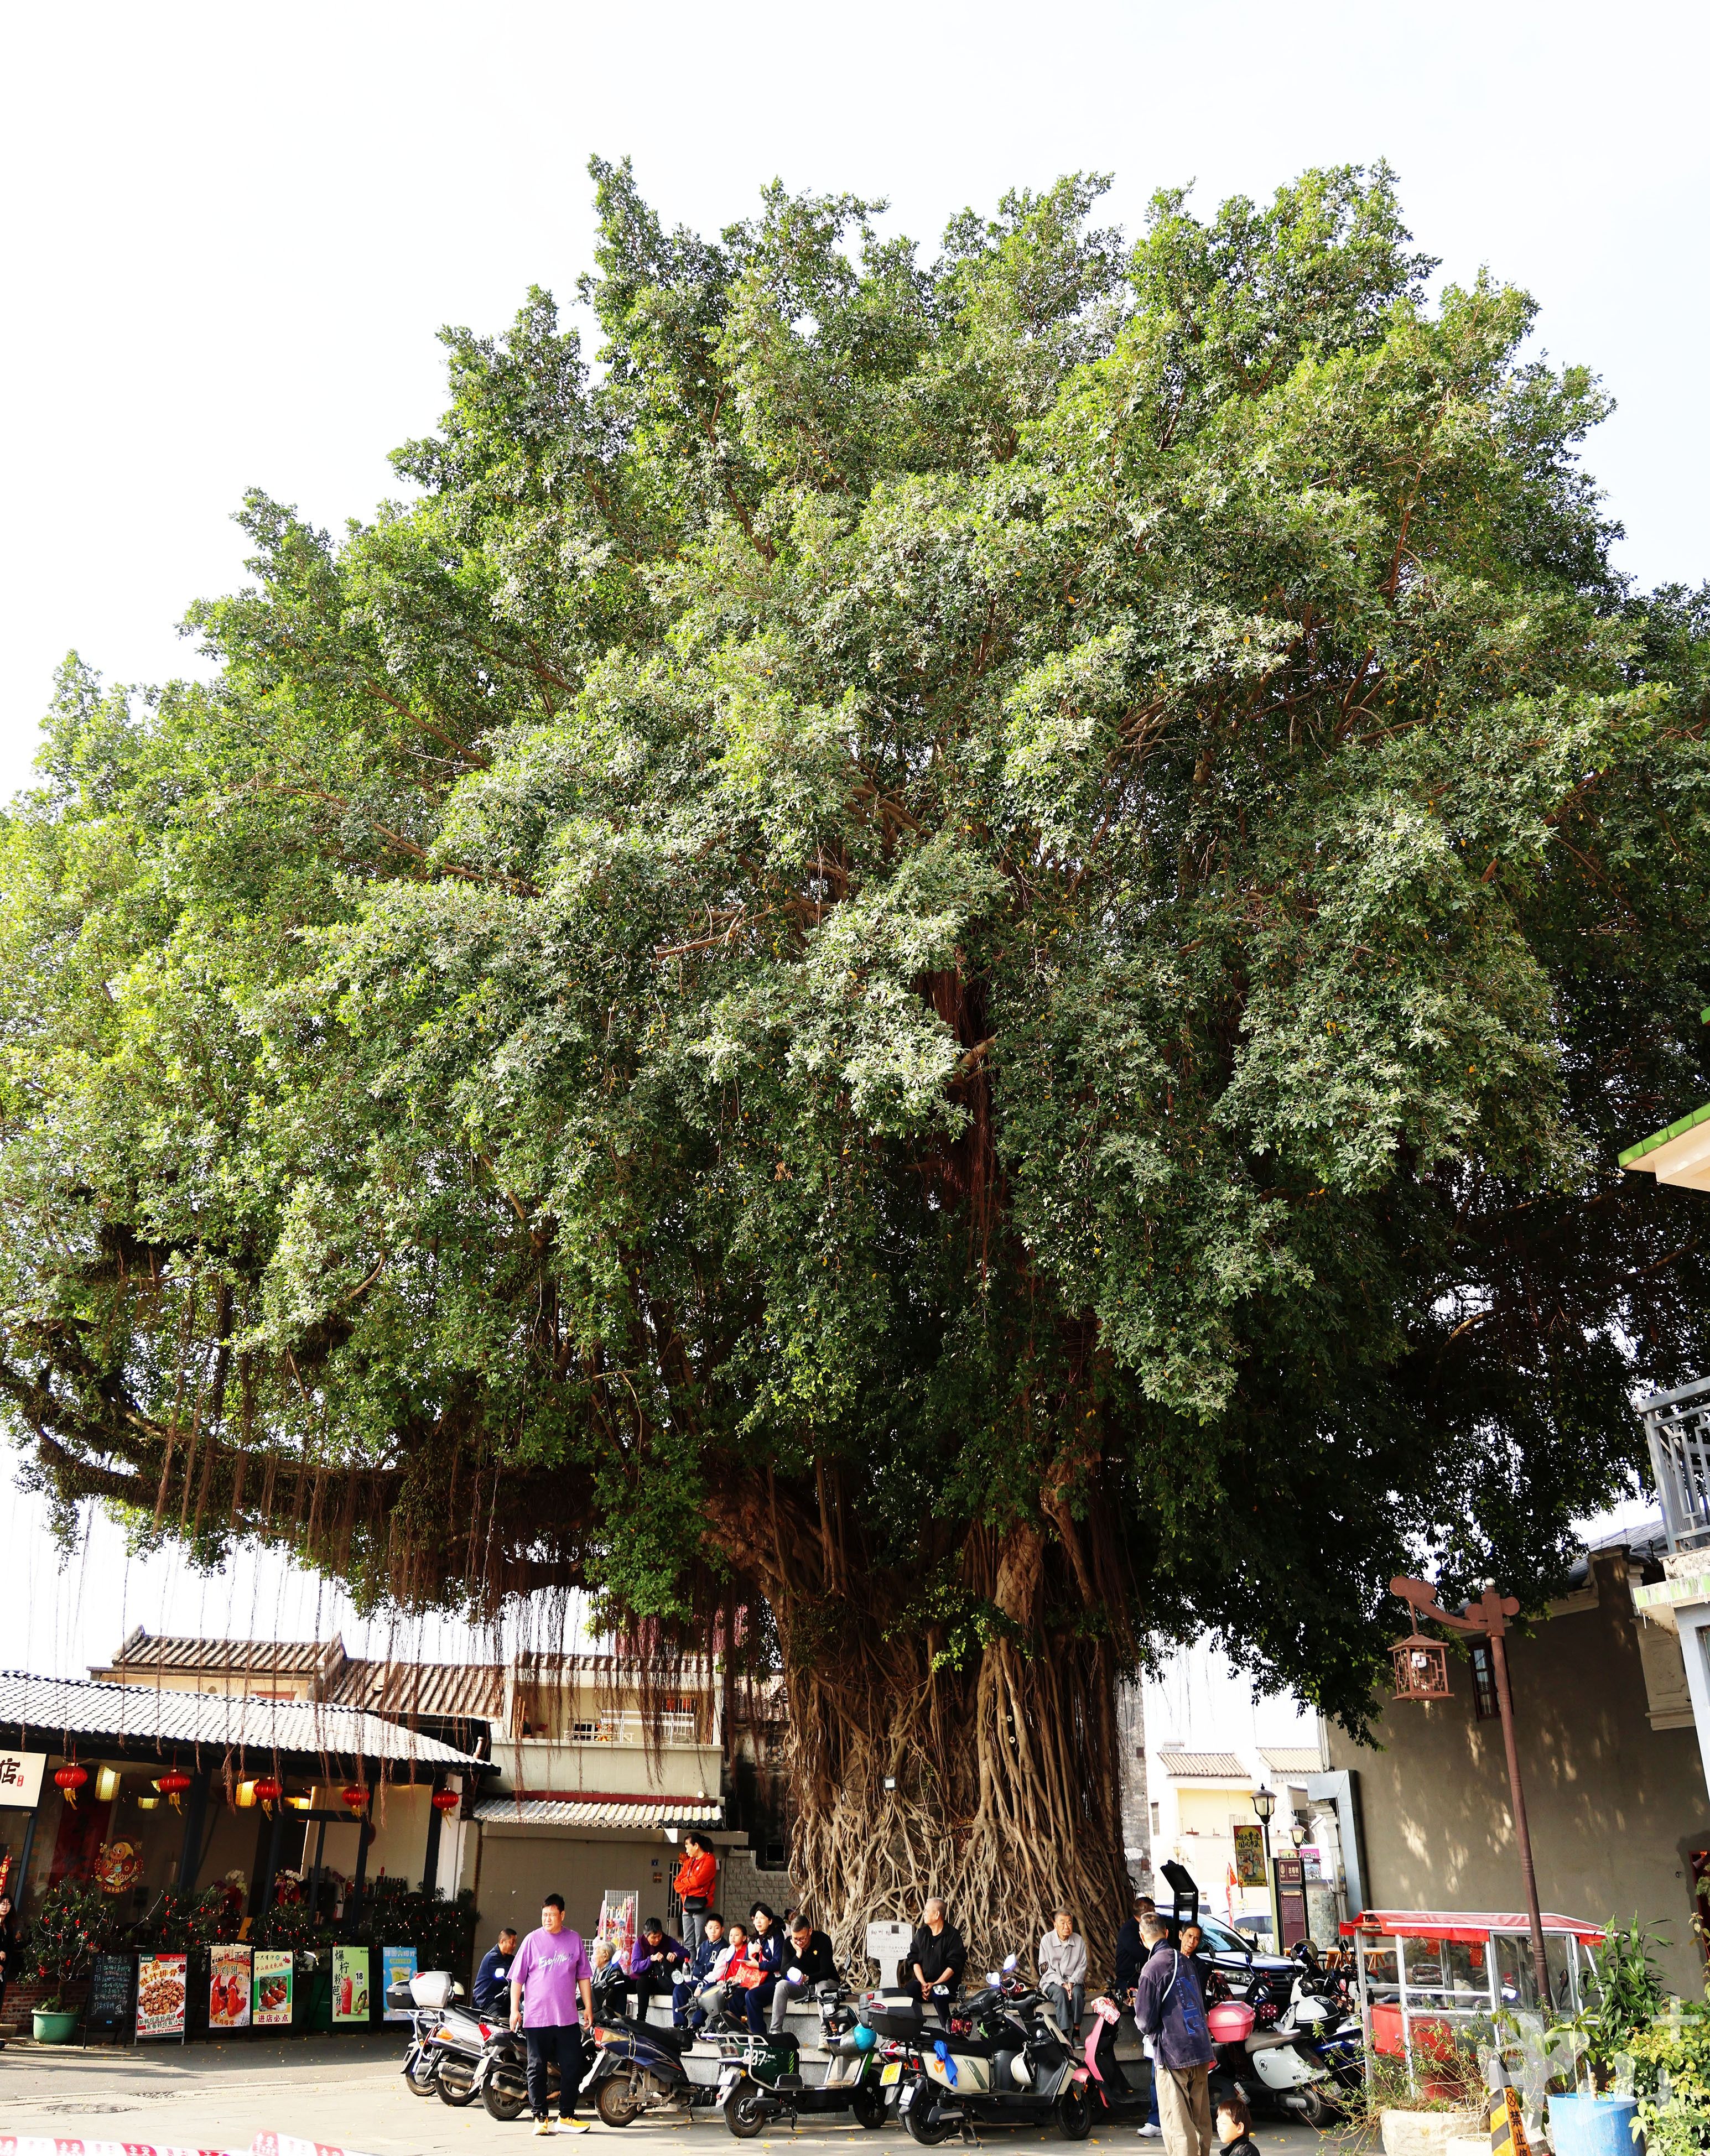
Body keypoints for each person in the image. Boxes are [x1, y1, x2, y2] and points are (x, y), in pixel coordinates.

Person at [509, 1893, 595, 2137]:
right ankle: (540, 2117)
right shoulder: (532, 1941)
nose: (547, 1919)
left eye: (552, 1915)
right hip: (537, 2018)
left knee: (573, 2065)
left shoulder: (574, 1940)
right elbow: (517, 1979)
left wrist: (588, 2007)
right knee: (536, 2066)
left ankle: (566, 2116)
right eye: (544, 1915)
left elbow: (584, 1977)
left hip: (567, 2018)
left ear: (562, 1915)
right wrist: (515, 2009)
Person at [1132, 1910, 1213, 2156]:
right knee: (1201, 2121)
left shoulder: (1152, 1969)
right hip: (1200, 2047)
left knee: (1178, 2125)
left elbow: (1144, 2021)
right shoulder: (1186, 1962)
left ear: (1142, 1937)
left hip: (1174, 2053)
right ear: (1167, 1933)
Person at [770, 1912, 836, 2034]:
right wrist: (798, 1955)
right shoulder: (789, 1944)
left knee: (821, 1985)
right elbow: (784, 1973)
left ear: (810, 1931)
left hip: (827, 1984)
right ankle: (775, 2032)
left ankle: (825, 2032)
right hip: (804, 1988)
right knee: (781, 1985)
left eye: (802, 1938)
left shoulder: (823, 1940)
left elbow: (826, 1972)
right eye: (795, 1938)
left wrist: (807, 1978)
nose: (799, 1942)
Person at [907, 1898, 966, 2019]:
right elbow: (914, 1960)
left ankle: (947, 2026)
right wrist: (923, 1984)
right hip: (924, 1984)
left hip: (946, 1985)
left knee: (938, 1992)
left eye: (927, 1911)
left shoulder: (953, 1936)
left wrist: (935, 1984)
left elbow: (954, 1965)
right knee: (910, 1989)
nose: (924, 1914)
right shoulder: (921, 1934)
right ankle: (913, 2027)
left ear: (937, 1915)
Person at [687, 1918, 749, 2030]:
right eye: (731, 1935)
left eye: (737, 1935)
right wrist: (723, 1980)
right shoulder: (731, 1951)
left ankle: (715, 2027)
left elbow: (745, 1971)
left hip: (741, 1985)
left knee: (722, 1996)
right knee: (680, 1988)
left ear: (744, 1938)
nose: (733, 1938)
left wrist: (731, 1979)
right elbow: (726, 1971)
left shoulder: (745, 1951)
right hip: (727, 1983)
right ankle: (682, 2026)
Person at [630, 1915, 690, 2026]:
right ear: (646, 1936)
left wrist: (676, 1954)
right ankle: (640, 2021)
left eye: (659, 1936)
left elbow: (686, 1953)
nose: (658, 1939)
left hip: (665, 1981)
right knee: (640, 1982)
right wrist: (651, 1959)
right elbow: (635, 1967)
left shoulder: (668, 1941)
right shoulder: (640, 1943)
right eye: (654, 1937)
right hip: (647, 1981)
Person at [1039, 1907, 1087, 2038]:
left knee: (1078, 1994)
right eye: (1062, 1923)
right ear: (1055, 1925)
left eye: (1069, 1923)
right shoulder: (1047, 1941)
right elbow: (1045, 1969)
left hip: (1074, 1982)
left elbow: (1082, 1966)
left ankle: (1076, 2033)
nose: (1067, 1926)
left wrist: (1071, 1983)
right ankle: (1064, 2034)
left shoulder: (1079, 1941)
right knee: (1060, 1994)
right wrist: (1062, 1983)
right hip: (1052, 1982)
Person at [675, 1911, 725, 2027]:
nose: (713, 1931)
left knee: (707, 1991)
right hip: (698, 1981)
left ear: (722, 1930)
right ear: (705, 1929)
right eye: (710, 1928)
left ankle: (695, 2025)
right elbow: (697, 1966)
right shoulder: (702, 1946)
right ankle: (680, 2025)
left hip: (712, 1983)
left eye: (717, 1928)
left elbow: (717, 1973)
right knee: (679, 1989)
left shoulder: (724, 1948)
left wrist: (701, 1985)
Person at [673, 1831, 718, 1957]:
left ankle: (700, 1967)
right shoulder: (689, 1862)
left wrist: (686, 1883)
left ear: (696, 1846)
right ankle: (691, 1967)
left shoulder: (709, 1859)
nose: (686, 1850)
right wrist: (690, 1884)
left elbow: (699, 1880)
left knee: (700, 1942)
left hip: (702, 1905)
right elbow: (677, 1884)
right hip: (687, 1905)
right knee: (688, 1943)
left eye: (688, 1846)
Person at [742, 1902, 783, 2034]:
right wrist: (751, 1954)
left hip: (774, 1981)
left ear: (770, 1921)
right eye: (756, 1918)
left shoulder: (777, 1937)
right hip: (754, 1980)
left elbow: (778, 1963)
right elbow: (745, 1964)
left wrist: (759, 1965)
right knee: (733, 1996)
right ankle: (740, 2033)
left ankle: (759, 2035)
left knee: (751, 1996)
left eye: (762, 1918)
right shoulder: (753, 1941)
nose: (758, 1921)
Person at [474, 1925, 521, 2012]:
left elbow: (521, 1968)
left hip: (503, 2001)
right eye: (512, 1942)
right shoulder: (492, 1958)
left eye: (515, 1943)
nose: (515, 1946)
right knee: (500, 2019)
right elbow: (512, 1976)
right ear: (502, 1942)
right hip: (486, 2001)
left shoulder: (510, 1958)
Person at [1115, 1895, 1155, 1997]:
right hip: (1129, 1981)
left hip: (1145, 1978)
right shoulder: (1128, 1931)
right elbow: (1142, 1954)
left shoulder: (1145, 1928)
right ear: (1147, 1913)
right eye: (1153, 1912)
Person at [1216, 2090, 1260, 2156]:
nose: (1220, 2129)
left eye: (1224, 2123)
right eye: (1218, 2123)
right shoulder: (1243, 2149)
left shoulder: (1242, 2153)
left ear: (1240, 2128)